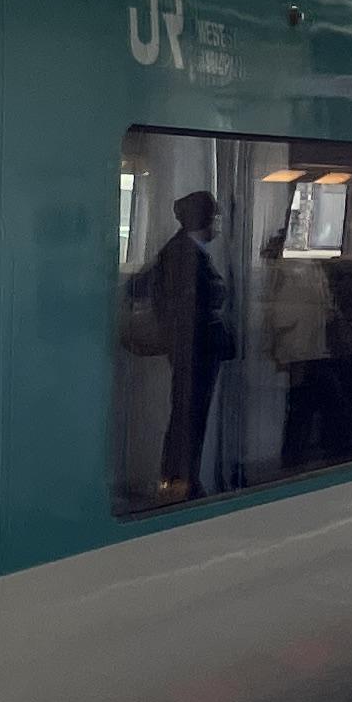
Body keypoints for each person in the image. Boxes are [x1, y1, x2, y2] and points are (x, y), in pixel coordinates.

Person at [132, 189, 234, 502]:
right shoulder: (183, 254)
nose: (218, 225)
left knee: (188, 415)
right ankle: (181, 481)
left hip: (195, 348)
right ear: (204, 219)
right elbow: (187, 306)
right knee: (189, 417)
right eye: (215, 218)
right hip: (194, 349)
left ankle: (182, 478)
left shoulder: (181, 250)